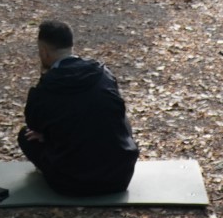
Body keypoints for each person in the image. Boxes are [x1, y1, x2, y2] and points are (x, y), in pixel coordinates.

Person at [17, 19, 138, 196]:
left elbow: (34, 124)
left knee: (26, 135)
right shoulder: (104, 75)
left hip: (70, 183)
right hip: (119, 177)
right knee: (119, 118)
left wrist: (47, 134)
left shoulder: (45, 89)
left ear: (44, 51)